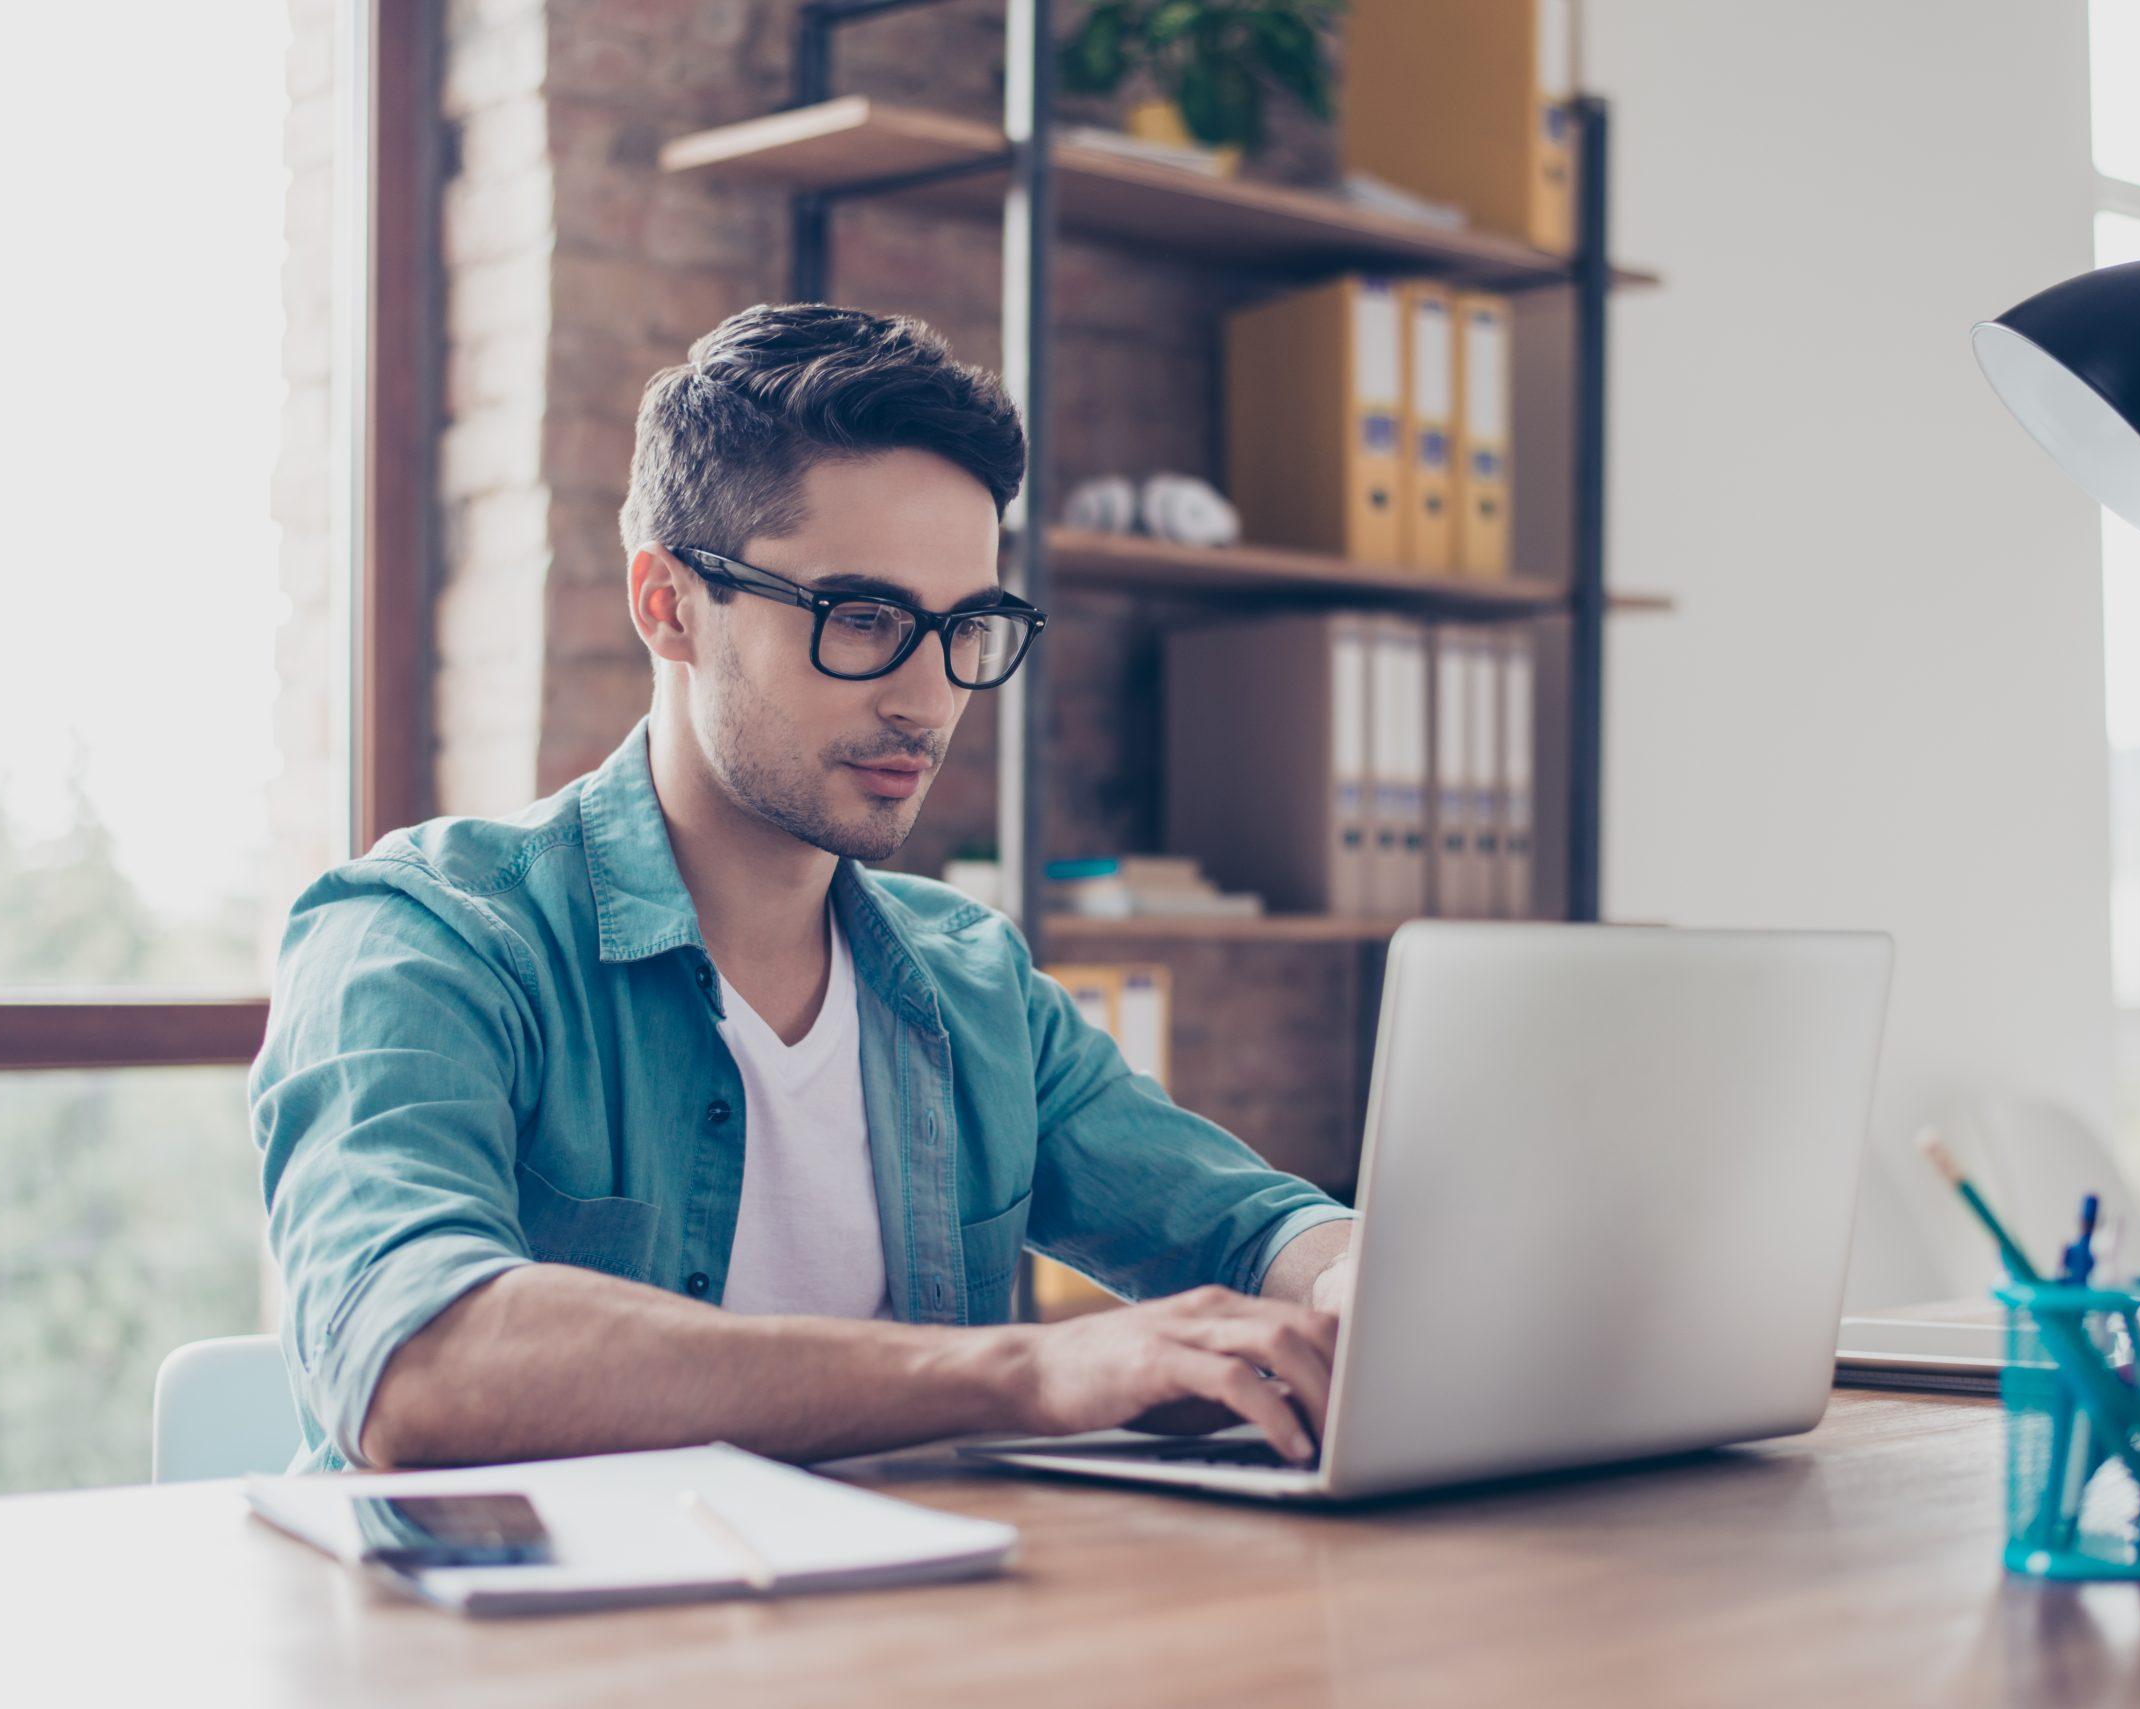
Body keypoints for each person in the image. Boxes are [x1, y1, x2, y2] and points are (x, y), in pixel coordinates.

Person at [252, 303, 1357, 1475]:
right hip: (523, 1649)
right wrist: (1024, 1374)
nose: (929, 700)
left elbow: (1250, 1225)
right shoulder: (424, 938)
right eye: (864, 616)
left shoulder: (972, 980)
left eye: (966, 628)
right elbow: (415, 1364)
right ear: (667, 604)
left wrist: (1353, 1285)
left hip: (904, 1632)